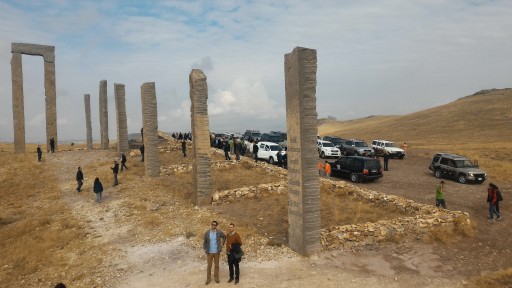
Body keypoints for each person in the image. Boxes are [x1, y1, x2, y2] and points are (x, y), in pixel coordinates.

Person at [203, 220, 226, 285]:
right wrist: (204, 249)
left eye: (214, 225)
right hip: (209, 252)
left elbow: (224, 237)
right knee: (209, 266)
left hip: (216, 252)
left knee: (216, 266)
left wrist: (222, 243)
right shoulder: (207, 232)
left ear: (216, 226)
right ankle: (208, 279)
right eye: (212, 224)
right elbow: (205, 241)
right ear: (211, 225)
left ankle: (216, 278)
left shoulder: (218, 232)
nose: (213, 226)